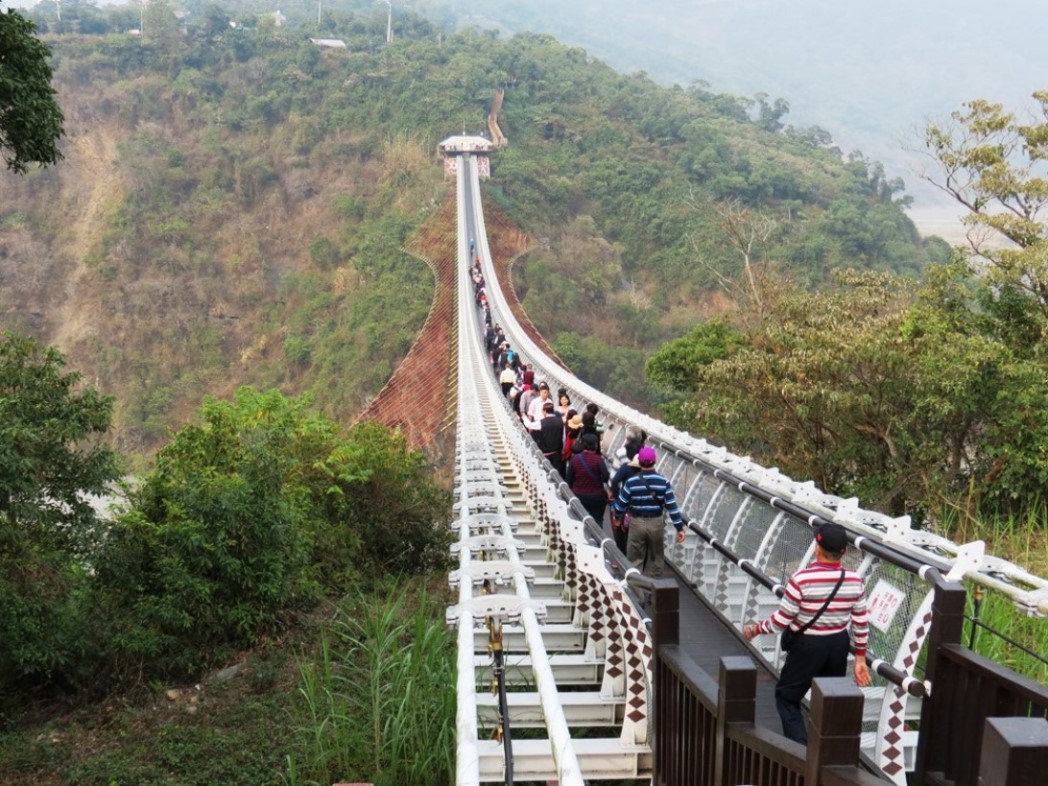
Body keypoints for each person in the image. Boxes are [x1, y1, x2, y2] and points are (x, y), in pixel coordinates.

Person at [743, 522, 871, 744]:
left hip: (808, 645)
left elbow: (782, 621)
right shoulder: (855, 580)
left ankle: (801, 754)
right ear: (845, 551)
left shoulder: (801, 579)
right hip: (838, 644)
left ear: (817, 548)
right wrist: (860, 658)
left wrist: (755, 629)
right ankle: (827, 754)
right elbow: (861, 622)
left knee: (786, 697)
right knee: (829, 698)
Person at [610, 446, 686, 577]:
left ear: (639, 463)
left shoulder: (631, 482)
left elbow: (621, 504)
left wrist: (617, 517)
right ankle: (657, 589)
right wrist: (679, 528)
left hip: (637, 523)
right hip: (656, 523)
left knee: (635, 559)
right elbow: (672, 507)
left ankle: (636, 591)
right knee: (657, 557)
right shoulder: (664, 482)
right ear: (654, 461)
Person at [565, 433, 610, 524]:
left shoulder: (575, 459)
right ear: (595, 445)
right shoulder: (599, 460)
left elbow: (568, 480)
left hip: (578, 496)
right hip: (596, 497)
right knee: (597, 521)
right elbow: (606, 477)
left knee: (578, 521)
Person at [608, 454, 640, 553]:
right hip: (643, 512)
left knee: (620, 529)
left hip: (627, 507)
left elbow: (615, 481)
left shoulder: (627, 468)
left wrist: (616, 496)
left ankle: (620, 556)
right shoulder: (651, 476)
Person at [536, 401, 565, 476]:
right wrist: (562, 450)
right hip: (557, 452)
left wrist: (523, 417)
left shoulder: (542, 422)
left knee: (545, 471)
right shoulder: (560, 421)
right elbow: (563, 437)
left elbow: (530, 425)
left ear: (544, 411)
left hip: (545, 452)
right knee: (556, 471)